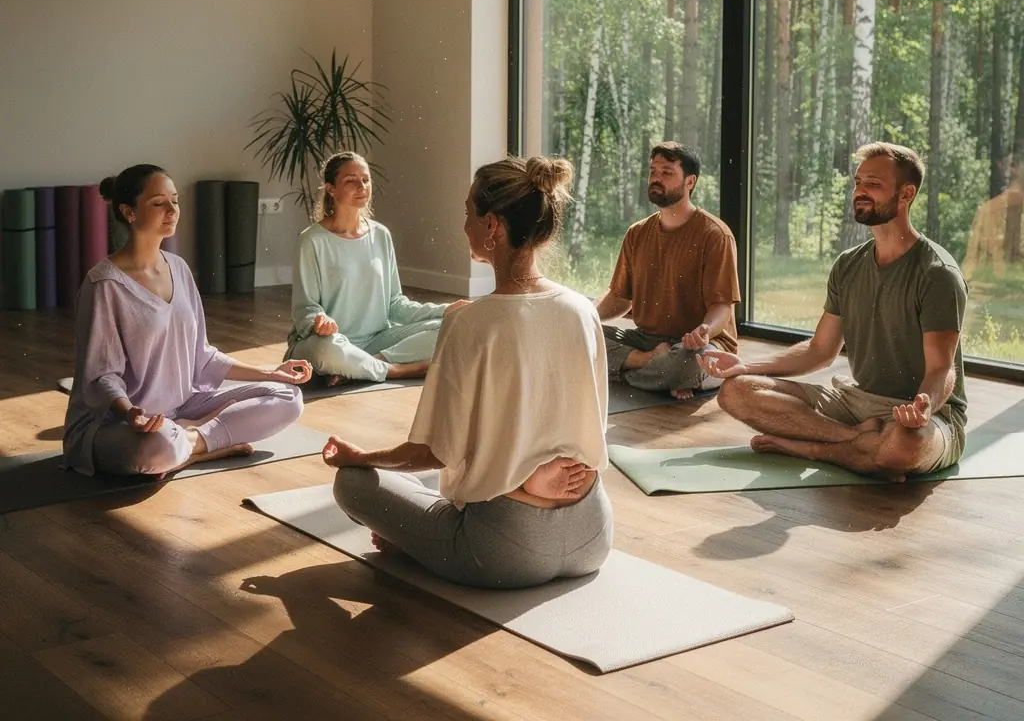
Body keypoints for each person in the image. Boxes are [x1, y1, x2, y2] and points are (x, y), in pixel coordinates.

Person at [322, 156, 613, 589]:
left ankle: (419, 543)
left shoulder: (470, 322)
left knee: (353, 485)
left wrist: (359, 458)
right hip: (593, 533)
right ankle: (425, 537)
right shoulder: (583, 310)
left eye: (467, 212)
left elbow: (433, 453)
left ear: (492, 225)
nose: (463, 226)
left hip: (504, 550)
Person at [702, 142, 968, 480]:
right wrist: (746, 365)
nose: (859, 191)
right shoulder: (848, 265)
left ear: (906, 194)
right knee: (736, 392)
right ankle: (850, 440)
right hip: (856, 404)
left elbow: (942, 369)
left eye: (873, 183)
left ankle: (811, 448)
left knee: (902, 448)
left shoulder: (937, 273)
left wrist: (925, 406)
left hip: (924, 414)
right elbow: (820, 351)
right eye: (857, 182)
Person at [63, 164, 311, 478]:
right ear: (129, 212)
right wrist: (130, 413)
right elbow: (101, 378)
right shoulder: (104, 285)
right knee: (156, 448)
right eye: (158, 203)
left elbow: (202, 357)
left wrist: (271, 372)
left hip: (182, 407)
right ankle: (196, 445)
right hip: (115, 425)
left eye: (175, 201)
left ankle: (191, 442)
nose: (172, 210)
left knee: (288, 397)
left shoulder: (178, 268)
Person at [288, 152, 465, 386]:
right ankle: (396, 370)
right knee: (326, 352)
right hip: (329, 342)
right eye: (351, 180)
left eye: (366, 179)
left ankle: (366, 364)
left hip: (377, 341)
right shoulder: (311, 240)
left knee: (450, 327)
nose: (362, 186)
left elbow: (395, 304)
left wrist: (445, 310)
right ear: (330, 189)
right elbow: (305, 309)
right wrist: (319, 321)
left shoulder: (381, 234)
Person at [595, 142, 740, 400]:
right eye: (653, 172)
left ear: (690, 182)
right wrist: (585, 318)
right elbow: (620, 299)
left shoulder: (715, 235)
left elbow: (722, 306)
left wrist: (704, 330)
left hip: (696, 346)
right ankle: (649, 365)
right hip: (648, 341)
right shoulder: (636, 233)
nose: (656, 178)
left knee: (691, 362)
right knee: (585, 338)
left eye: (667, 172)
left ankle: (633, 368)